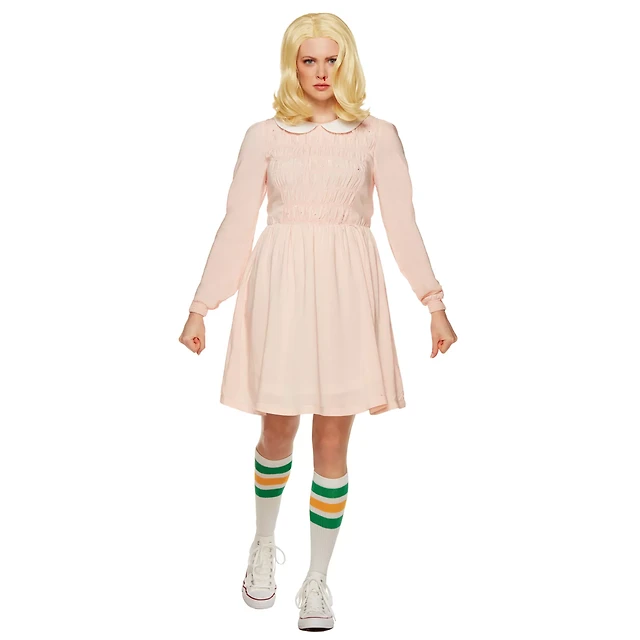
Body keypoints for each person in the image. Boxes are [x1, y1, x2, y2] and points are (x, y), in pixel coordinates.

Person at [178, 12, 457, 632]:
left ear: (347, 62)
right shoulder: (264, 135)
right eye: (309, 60)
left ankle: (318, 579)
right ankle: (262, 545)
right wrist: (202, 305)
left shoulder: (377, 135)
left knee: (332, 440)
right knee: (278, 429)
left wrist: (433, 303)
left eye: (332, 59)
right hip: (281, 286)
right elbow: (236, 222)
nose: (322, 72)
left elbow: (402, 223)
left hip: (346, 290)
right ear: (293, 65)